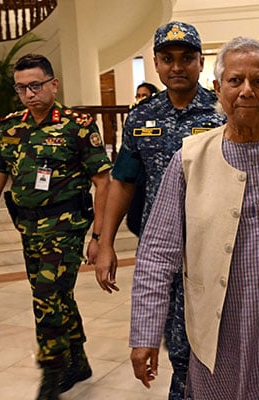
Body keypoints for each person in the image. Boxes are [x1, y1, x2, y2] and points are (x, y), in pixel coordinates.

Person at [129, 36, 259, 399]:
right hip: (219, 337)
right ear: (218, 89)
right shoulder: (190, 159)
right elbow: (157, 253)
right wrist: (145, 333)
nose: (246, 91)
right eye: (235, 81)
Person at [94, 21, 225, 400]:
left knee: (214, 341)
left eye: (187, 58)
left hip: (215, 248)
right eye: (168, 59)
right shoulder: (140, 117)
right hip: (164, 252)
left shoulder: (221, 112)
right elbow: (122, 182)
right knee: (178, 343)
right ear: (156, 63)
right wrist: (105, 243)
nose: (177, 67)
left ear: (201, 63)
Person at [0, 54, 111, 400]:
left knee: (46, 296)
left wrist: (99, 238)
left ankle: (53, 371)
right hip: (28, 228)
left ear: (53, 85)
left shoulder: (77, 124)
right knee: (58, 295)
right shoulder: (11, 127)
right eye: (22, 87)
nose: (29, 93)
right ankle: (79, 361)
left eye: (36, 85)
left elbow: (103, 182)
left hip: (66, 226)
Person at [127, 82, 160, 236]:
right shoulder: (136, 117)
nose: (140, 99)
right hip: (145, 190)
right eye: (138, 95)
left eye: (144, 95)